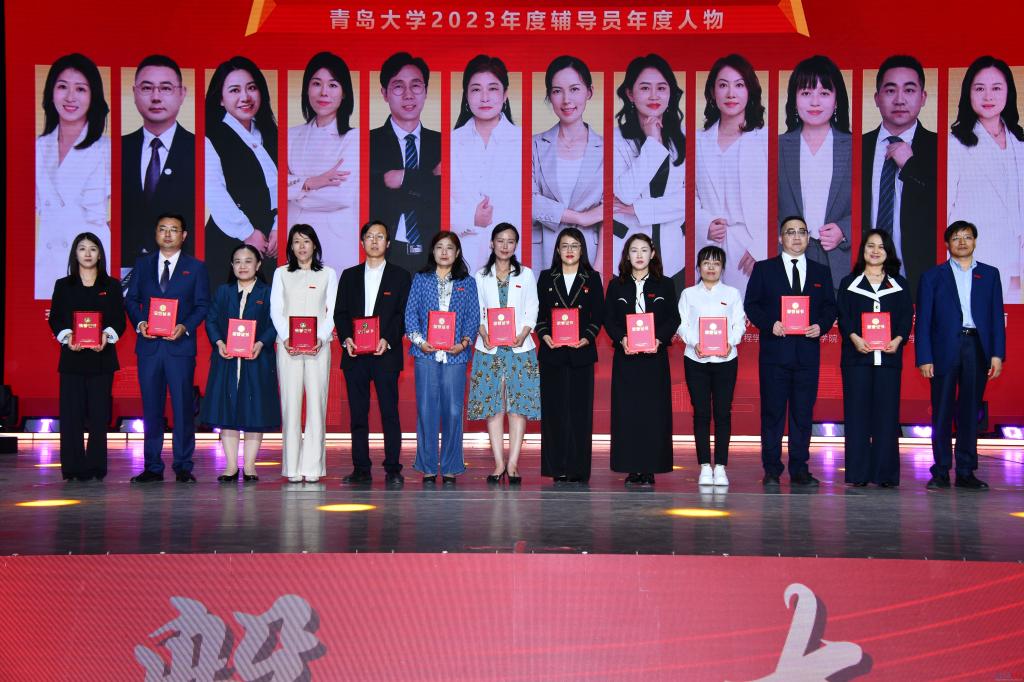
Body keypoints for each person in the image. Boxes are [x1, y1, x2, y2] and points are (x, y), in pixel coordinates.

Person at [744, 215, 837, 487]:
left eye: (801, 232)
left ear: (808, 237)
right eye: (790, 232)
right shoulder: (764, 269)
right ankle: (772, 469)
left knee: (802, 415)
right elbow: (752, 305)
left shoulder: (821, 271)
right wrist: (769, 324)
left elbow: (830, 307)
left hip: (807, 355)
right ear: (780, 238)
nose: (796, 237)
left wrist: (821, 326)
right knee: (772, 414)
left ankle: (799, 469)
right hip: (775, 355)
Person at [916, 221, 1006, 490]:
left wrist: (997, 354)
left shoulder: (990, 274)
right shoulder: (933, 276)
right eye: (956, 238)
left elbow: (995, 316)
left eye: (967, 237)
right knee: (942, 411)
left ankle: (966, 471)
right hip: (944, 349)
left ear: (975, 241)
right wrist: (924, 357)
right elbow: (923, 321)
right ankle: (941, 470)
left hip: (976, 347)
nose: (962, 242)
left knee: (970, 412)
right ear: (947, 244)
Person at [125, 213, 210, 483]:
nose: (168, 234)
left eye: (174, 229)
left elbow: (202, 305)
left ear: (184, 235)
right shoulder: (143, 265)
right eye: (163, 229)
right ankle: (152, 466)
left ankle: (183, 465)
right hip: (149, 347)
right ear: (156, 233)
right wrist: (140, 323)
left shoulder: (195, 268)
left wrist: (185, 326)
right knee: (151, 408)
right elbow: (131, 299)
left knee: (183, 407)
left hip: (179, 348)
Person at [334, 220, 412, 486]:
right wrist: (347, 338)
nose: (375, 241)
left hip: (385, 354)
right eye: (369, 236)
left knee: (389, 413)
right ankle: (360, 468)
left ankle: (393, 468)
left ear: (388, 243)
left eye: (380, 236)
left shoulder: (400, 276)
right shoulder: (349, 275)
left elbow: (403, 315)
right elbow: (340, 313)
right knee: (358, 414)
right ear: (362, 242)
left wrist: (387, 340)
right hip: (355, 355)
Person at [836, 229, 913, 487]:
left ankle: (885, 474)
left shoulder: (899, 284)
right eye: (870, 246)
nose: (875, 251)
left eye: (881, 246)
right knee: (856, 416)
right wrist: (855, 338)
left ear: (888, 252)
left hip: (888, 360)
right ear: (863, 250)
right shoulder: (849, 283)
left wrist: (898, 339)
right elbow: (843, 316)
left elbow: (905, 317)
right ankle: (858, 474)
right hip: (856, 360)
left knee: (887, 416)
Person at [404, 231, 480, 485]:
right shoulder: (421, 279)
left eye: (450, 248)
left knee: (453, 411)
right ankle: (427, 466)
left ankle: (450, 466)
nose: (444, 252)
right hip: (425, 353)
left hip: (455, 355)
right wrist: (420, 341)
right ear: (433, 251)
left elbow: (473, 316)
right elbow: (410, 314)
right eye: (439, 247)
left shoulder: (467, 282)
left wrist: (464, 343)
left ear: (457, 253)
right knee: (426, 409)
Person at [201, 244, 280, 483]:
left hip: (257, 359)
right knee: (227, 410)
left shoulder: (268, 293)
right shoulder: (223, 292)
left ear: (258, 265)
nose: (242, 266)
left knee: (254, 411)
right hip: (227, 359)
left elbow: (275, 323)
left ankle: (250, 466)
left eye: (248, 261)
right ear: (232, 266)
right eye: (237, 261)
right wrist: (219, 342)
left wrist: (261, 343)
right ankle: (230, 466)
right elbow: (211, 320)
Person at [605, 234, 680, 486]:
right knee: (627, 413)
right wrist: (622, 339)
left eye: (644, 250)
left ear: (653, 254)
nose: (639, 255)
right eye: (634, 250)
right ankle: (631, 467)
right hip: (626, 358)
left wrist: (659, 339)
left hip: (654, 359)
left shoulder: (665, 284)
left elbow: (673, 318)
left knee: (653, 413)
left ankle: (650, 467)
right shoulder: (616, 285)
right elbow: (609, 319)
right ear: (627, 255)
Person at [467, 223, 540, 485]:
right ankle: (498, 463)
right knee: (493, 406)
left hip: (520, 348)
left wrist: (524, 332)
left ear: (516, 245)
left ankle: (513, 463)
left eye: (510, 241)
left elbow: (532, 306)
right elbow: (477, 309)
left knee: (518, 407)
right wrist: (483, 331)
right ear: (492, 243)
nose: (505, 246)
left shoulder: (526, 274)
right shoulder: (480, 276)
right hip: (489, 348)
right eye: (500, 240)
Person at [48, 233, 125, 481]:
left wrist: (106, 336)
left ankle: (95, 467)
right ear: (75, 254)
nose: (88, 253)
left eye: (93, 248)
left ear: (100, 254)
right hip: (72, 359)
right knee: (71, 415)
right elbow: (56, 318)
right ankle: (72, 467)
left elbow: (119, 320)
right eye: (82, 249)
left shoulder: (112, 286)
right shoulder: (63, 285)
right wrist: (68, 336)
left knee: (99, 416)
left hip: (102, 359)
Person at [947, 56, 1024, 303]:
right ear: (968, 93)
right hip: (977, 262)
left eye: (996, 88)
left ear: (1008, 92)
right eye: (979, 88)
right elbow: (946, 209)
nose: (988, 96)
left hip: (1017, 265)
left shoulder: (1019, 141)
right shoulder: (954, 144)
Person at [861, 55, 936, 301]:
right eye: (890, 90)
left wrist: (910, 166)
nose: (900, 99)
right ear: (877, 98)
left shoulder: (941, 147)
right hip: (864, 279)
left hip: (921, 279)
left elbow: (943, 209)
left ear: (923, 97)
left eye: (909, 90)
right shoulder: (857, 147)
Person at [35, 53, 110, 300]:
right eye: (62, 87)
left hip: (89, 261)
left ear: (93, 96)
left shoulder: (107, 149)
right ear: (50, 92)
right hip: (46, 262)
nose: (70, 97)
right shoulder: (38, 147)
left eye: (80, 89)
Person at [535, 227, 605, 484]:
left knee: (580, 413)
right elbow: (539, 314)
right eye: (564, 246)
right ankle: (556, 468)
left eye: (574, 246)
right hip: (552, 353)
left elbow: (598, 315)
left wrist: (587, 337)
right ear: (557, 249)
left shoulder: (592, 278)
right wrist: (545, 335)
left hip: (581, 354)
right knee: (554, 412)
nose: (569, 250)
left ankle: (577, 469)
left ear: (582, 249)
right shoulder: (546, 277)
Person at [695, 54, 768, 299]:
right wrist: (704, 223)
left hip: (750, 247)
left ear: (750, 91)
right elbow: (686, 192)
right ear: (712, 92)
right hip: (707, 245)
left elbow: (779, 198)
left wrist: (761, 246)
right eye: (723, 85)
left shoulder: (766, 139)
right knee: (708, 316)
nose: (730, 93)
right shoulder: (697, 141)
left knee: (749, 315)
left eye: (739, 85)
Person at [778, 55, 853, 293]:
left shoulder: (856, 146)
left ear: (837, 99)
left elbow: (871, 205)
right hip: (789, 258)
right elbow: (761, 206)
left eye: (824, 93)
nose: (815, 102)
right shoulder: (776, 147)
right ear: (794, 99)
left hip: (840, 258)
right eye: (806, 92)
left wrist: (845, 230)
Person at [204, 56, 278, 292]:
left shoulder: (270, 132)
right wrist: (248, 233)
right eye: (234, 90)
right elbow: (215, 193)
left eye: (251, 88)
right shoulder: (211, 136)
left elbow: (285, 185)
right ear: (221, 99)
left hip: (271, 243)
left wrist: (278, 226)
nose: (245, 97)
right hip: (230, 241)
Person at [270, 224, 337, 483]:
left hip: (319, 346)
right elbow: (276, 309)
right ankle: (292, 467)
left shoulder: (328, 274)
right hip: (287, 346)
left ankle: (313, 466)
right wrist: (286, 337)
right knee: (290, 404)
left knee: (317, 405)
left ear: (315, 245)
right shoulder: (281, 273)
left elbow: (332, 310)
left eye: (306, 241)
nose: (301, 246)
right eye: (296, 241)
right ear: (290, 246)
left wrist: (321, 337)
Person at [613, 54, 687, 287]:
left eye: (661, 88)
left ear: (671, 93)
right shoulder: (615, 139)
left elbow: (691, 199)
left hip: (675, 256)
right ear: (630, 94)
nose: (654, 96)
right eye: (645, 88)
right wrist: (653, 142)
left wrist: (637, 209)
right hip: (626, 255)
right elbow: (624, 192)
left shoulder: (686, 137)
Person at [676, 245, 746, 487]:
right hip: (695, 360)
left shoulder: (732, 293)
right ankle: (705, 465)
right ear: (699, 267)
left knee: (723, 412)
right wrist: (694, 342)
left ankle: (721, 467)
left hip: (726, 360)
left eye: (716, 263)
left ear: (722, 267)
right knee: (702, 412)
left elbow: (739, 324)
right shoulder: (688, 294)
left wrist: (730, 342)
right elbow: (681, 324)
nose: (711, 268)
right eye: (706, 263)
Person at [121, 54, 195, 279]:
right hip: (124, 268)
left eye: (165, 88)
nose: (155, 97)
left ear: (182, 93)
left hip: (181, 270)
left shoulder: (200, 148)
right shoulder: (119, 148)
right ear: (134, 93)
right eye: (147, 88)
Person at [287, 51, 360, 276]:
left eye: (333, 85)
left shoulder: (355, 138)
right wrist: (312, 182)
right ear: (306, 89)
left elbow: (341, 195)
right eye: (316, 83)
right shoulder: (290, 136)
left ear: (344, 93)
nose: (324, 92)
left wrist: (296, 189)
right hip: (295, 238)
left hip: (336, 242)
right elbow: (276, 187)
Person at [370, 52, 441, 273]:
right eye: (399, 86)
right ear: (384, 93)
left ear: (426, 91)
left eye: (416, 86)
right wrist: (429, 179)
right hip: (386, 253)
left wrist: (403, 178)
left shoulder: (444, 144)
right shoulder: (368, 142)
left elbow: (446, 195)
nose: (408, 95)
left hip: (433, 253)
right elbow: (376, 193)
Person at [450, 55, 522, 272]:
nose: (484, 98)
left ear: (505, 94)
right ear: (466, 95)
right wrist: (470, 217)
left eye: (492, 89)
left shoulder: (523, 142)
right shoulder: (450, 142)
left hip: (511, 256)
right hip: (462, 253)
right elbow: (437, 203)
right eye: (476, 89)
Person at [532, 55, 604, 273]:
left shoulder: (607, 148)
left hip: (590, 255)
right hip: (542, 256)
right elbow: (528, 201)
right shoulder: (533, 145)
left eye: (574, 89)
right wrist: (582, 217)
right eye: (557, 91)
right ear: (549, 96)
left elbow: (611, 212)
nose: (566, 100)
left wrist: (599, 270)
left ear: (589, 92)